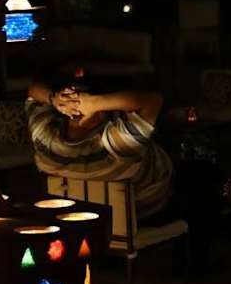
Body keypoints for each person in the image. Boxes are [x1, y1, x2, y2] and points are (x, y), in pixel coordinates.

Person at [25, 74, 173, 218]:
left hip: (76, 211)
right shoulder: (114, 147)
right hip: (143, 209)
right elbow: (152, 100)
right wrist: (96, 102)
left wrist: (54, 99)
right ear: (98, 116)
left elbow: (33, 89)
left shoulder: (43, 138)